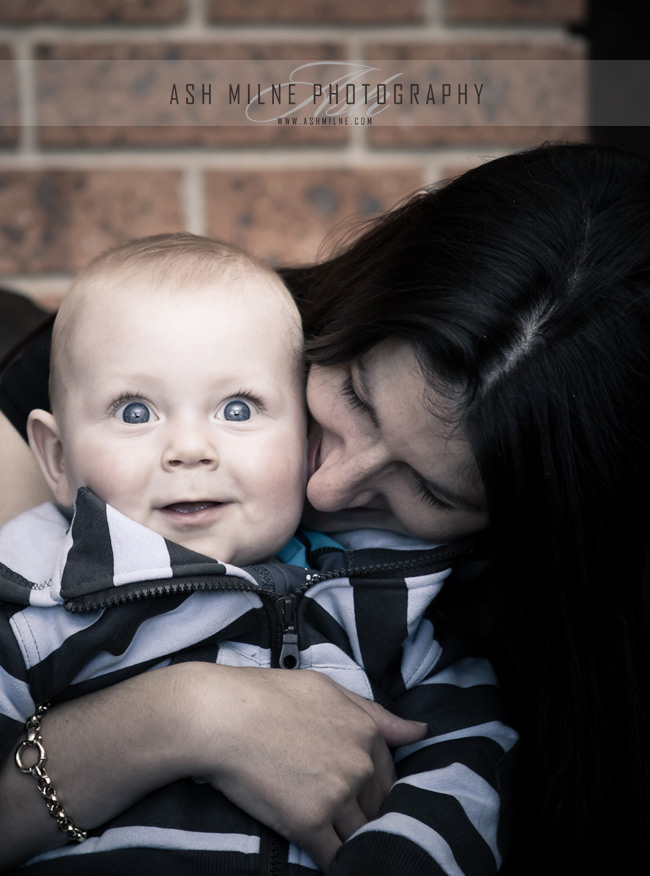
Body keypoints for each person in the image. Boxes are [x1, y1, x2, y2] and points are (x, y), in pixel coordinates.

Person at [0, 140, 647, 875]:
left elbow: (461, 778)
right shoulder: (138, 351)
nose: (329, 488)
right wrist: (187, 715)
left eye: (431, 490)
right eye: (355, 396)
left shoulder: (421, 624)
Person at [0, 233, 516, 875]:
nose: (189, 448)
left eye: (237, 408)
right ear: (54, 457)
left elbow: (465, 760)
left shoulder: (380, 602)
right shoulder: (35, 602)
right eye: (135, 412)